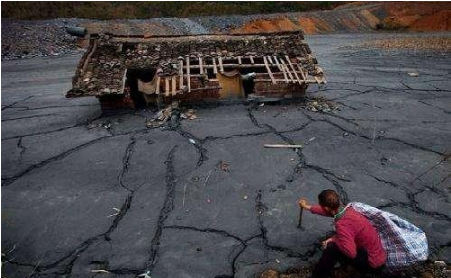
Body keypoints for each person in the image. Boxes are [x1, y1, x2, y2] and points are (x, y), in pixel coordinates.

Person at [299, 189, 386, 278]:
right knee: (339, 239)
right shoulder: (348, 210)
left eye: (321, 205)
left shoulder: (342, 225)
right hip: (378, 256)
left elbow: (350, 253)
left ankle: (318, 275)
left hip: (371, 263)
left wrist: (334, 239)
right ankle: (345, 266)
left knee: (331, 248)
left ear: (326, 208)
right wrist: (307, 207)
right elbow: (330, 212)